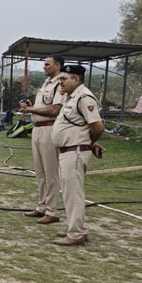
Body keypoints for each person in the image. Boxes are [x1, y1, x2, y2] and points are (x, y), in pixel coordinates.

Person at [51, 65, 104, 246]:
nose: (60, 82)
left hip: (75, 152)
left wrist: (88, 142)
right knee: (68, 192)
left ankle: (76, 234)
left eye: (64, 79)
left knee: (73, 194)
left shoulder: (84, 97)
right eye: (60, 79)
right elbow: (79, 125)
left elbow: (97, 126)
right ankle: (74, 228)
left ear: (75, 80)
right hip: (69, 150)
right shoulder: (71, 97)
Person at [19, 55, 65, 225]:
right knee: (40, 171)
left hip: (49, 128)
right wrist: (31, 107)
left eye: (47, 64)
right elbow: (43, 106)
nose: (44, 67)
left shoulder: (60, 84)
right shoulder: (46, 83)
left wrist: (30, 110)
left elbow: (55, 110)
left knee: (50, 171)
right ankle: (42, 206)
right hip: (37, 128)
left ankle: (52, 210)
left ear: (57, 65)